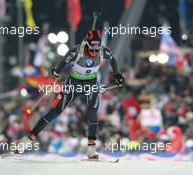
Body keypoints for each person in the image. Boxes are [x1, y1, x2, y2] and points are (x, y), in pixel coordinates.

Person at [12, 30, 124, 159]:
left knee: (92, 114)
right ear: (87, 43)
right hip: (73, 84)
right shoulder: (77, 51)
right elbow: (64, 61)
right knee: (54, 112)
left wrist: (117, 75)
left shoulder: (104, 51)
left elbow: (113, 60)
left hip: (91, 84)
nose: (95, 50)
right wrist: (57, 72)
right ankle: (26, 140)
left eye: (97, 46)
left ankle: (91, 149)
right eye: (92, 46)